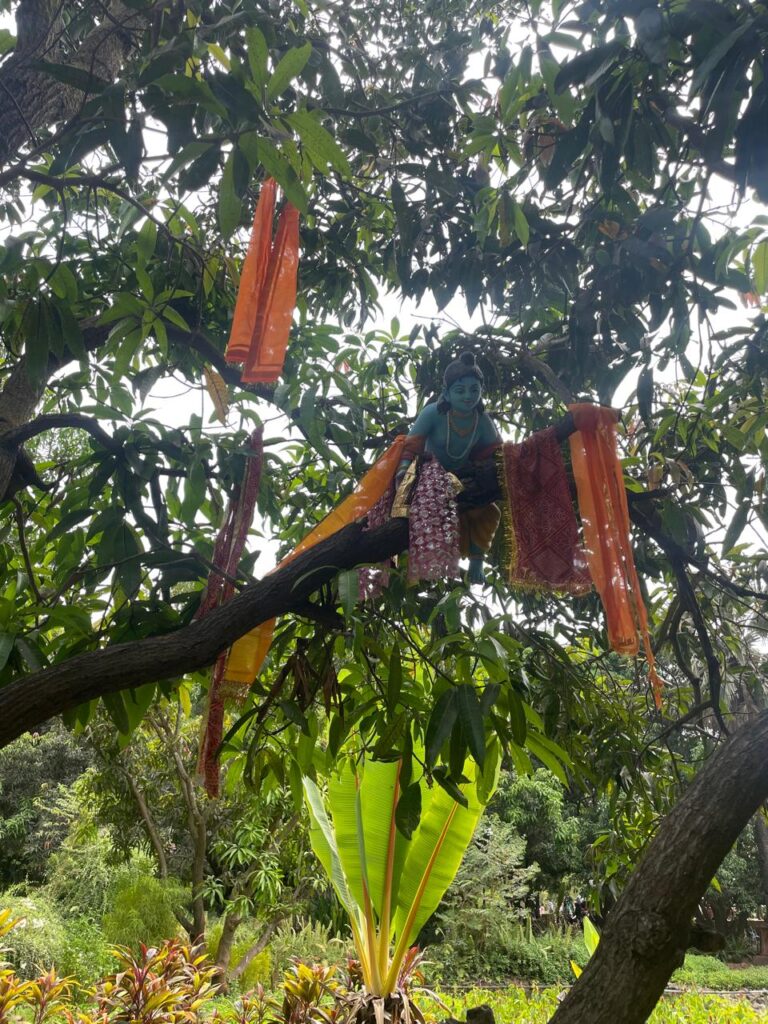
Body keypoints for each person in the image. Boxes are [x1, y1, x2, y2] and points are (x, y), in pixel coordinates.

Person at [395, 351, 502, 584]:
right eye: (460, 390)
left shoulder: (483, 422)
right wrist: (402, 475)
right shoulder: (432, 413)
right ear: (446, 393)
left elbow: (494, 454)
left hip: (465, 478)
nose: (468, 396)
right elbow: (411, 447)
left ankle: (476, 559)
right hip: (429, 475)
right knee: (425, 513)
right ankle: (426, 561)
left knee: (491, 512)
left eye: (474, 390)